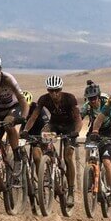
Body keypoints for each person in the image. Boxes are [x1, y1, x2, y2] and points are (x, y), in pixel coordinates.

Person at [23, 75, 82, 208]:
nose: (54, 93)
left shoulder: (70, 98)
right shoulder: (44, 99)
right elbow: (34, 116)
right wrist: (26, 130)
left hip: (70, 127)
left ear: (61, 89)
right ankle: (50, 158)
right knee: (43, 134)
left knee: (68, 156)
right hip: (54, 124)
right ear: (48, 90)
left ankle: (71, 192)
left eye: (57, 90)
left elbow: (78, 118)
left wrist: (76, 132)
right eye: (51, 90)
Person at [80, 80, 111, 190]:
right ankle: (89, 177)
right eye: (90, 98)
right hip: (93, 132)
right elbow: (79, 119)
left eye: (94, 98)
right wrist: (75, 132)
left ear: (98, 96)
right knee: (89, 156)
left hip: (108, 133)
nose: (92, 100)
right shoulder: (87, 106)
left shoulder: (107, 104)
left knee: (106, 162)